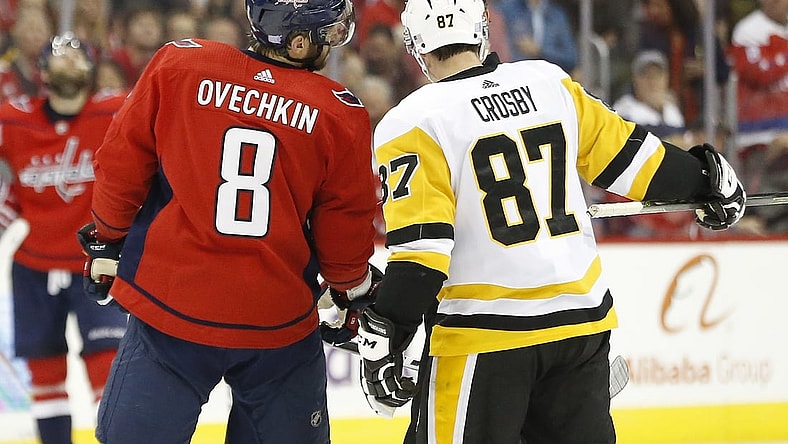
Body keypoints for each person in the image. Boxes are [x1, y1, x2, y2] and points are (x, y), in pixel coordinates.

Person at [352, 0, 746, 442]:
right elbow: (639, 165)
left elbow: (423, 258)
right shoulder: (547, 82)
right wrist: (707, 180)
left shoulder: (411, 121)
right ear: (482, 28)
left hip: (485, 336)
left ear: (414, 46)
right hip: (580, 326)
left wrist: (388, 332)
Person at [78, 0, 379, 442]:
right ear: (297, 43)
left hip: (172, 306)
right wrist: (350, 286)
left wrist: (106, 239)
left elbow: (121, 165)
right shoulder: (339, 112)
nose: (332, 42)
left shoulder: (179, 63)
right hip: (276, 323)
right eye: (325, 32)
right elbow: (346, 225)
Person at [0, 33, 128, 444]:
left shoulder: (115, 112)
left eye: (77, 56)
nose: (68, 63)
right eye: (59, 56)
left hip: (99, 262)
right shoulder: (14, 119)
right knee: (45, 373)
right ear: (41, 71)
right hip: (34, 266)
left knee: (107, 368)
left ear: (92, 69)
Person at [495, 0, 578, 73]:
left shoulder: (557, 15)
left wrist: (540, 51)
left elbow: (570, 58)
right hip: (516, 75)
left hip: (547, 76)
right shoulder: (507, 9)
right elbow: (499, 48)